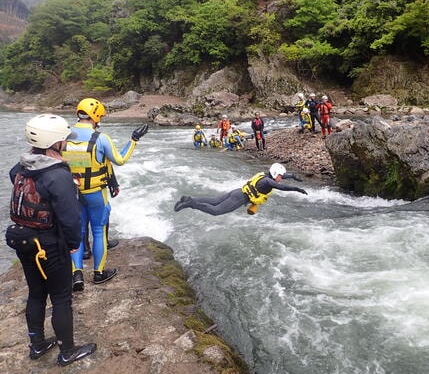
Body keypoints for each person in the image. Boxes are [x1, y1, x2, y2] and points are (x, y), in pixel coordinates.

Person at [7, 114, 96, 365]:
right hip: (48, 244)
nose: (67, 143)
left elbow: (13, 175)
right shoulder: (58, 175)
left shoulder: (23, 165)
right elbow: (70, 219)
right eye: (63, 140)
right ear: (53, 142)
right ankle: (67, 351)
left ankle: (37, 345)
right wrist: (73, 245)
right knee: (61, 297)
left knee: (36, 293)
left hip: (23, 240)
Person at [62, 98, 148, 292]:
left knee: (79, 231)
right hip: (95, 194)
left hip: (73, 194)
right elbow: (120, 160)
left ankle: (77, 274)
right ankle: (98, 273)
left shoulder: (64, 135)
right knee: (99, 231)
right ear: (95, 116)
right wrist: (134, 140)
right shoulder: (101, 138)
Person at [173, 163, 308, 216]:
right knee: (216, 211)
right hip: (240, 198)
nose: (281, 178)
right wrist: (296, 189)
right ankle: (191, 204)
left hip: (237, 191)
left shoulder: (267, 176)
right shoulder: (268, 181)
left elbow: (281, 179)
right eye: (280, 176)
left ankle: (188, 198)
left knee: (213, 200)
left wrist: (293, 176)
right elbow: (282, 187)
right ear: (274, 174)